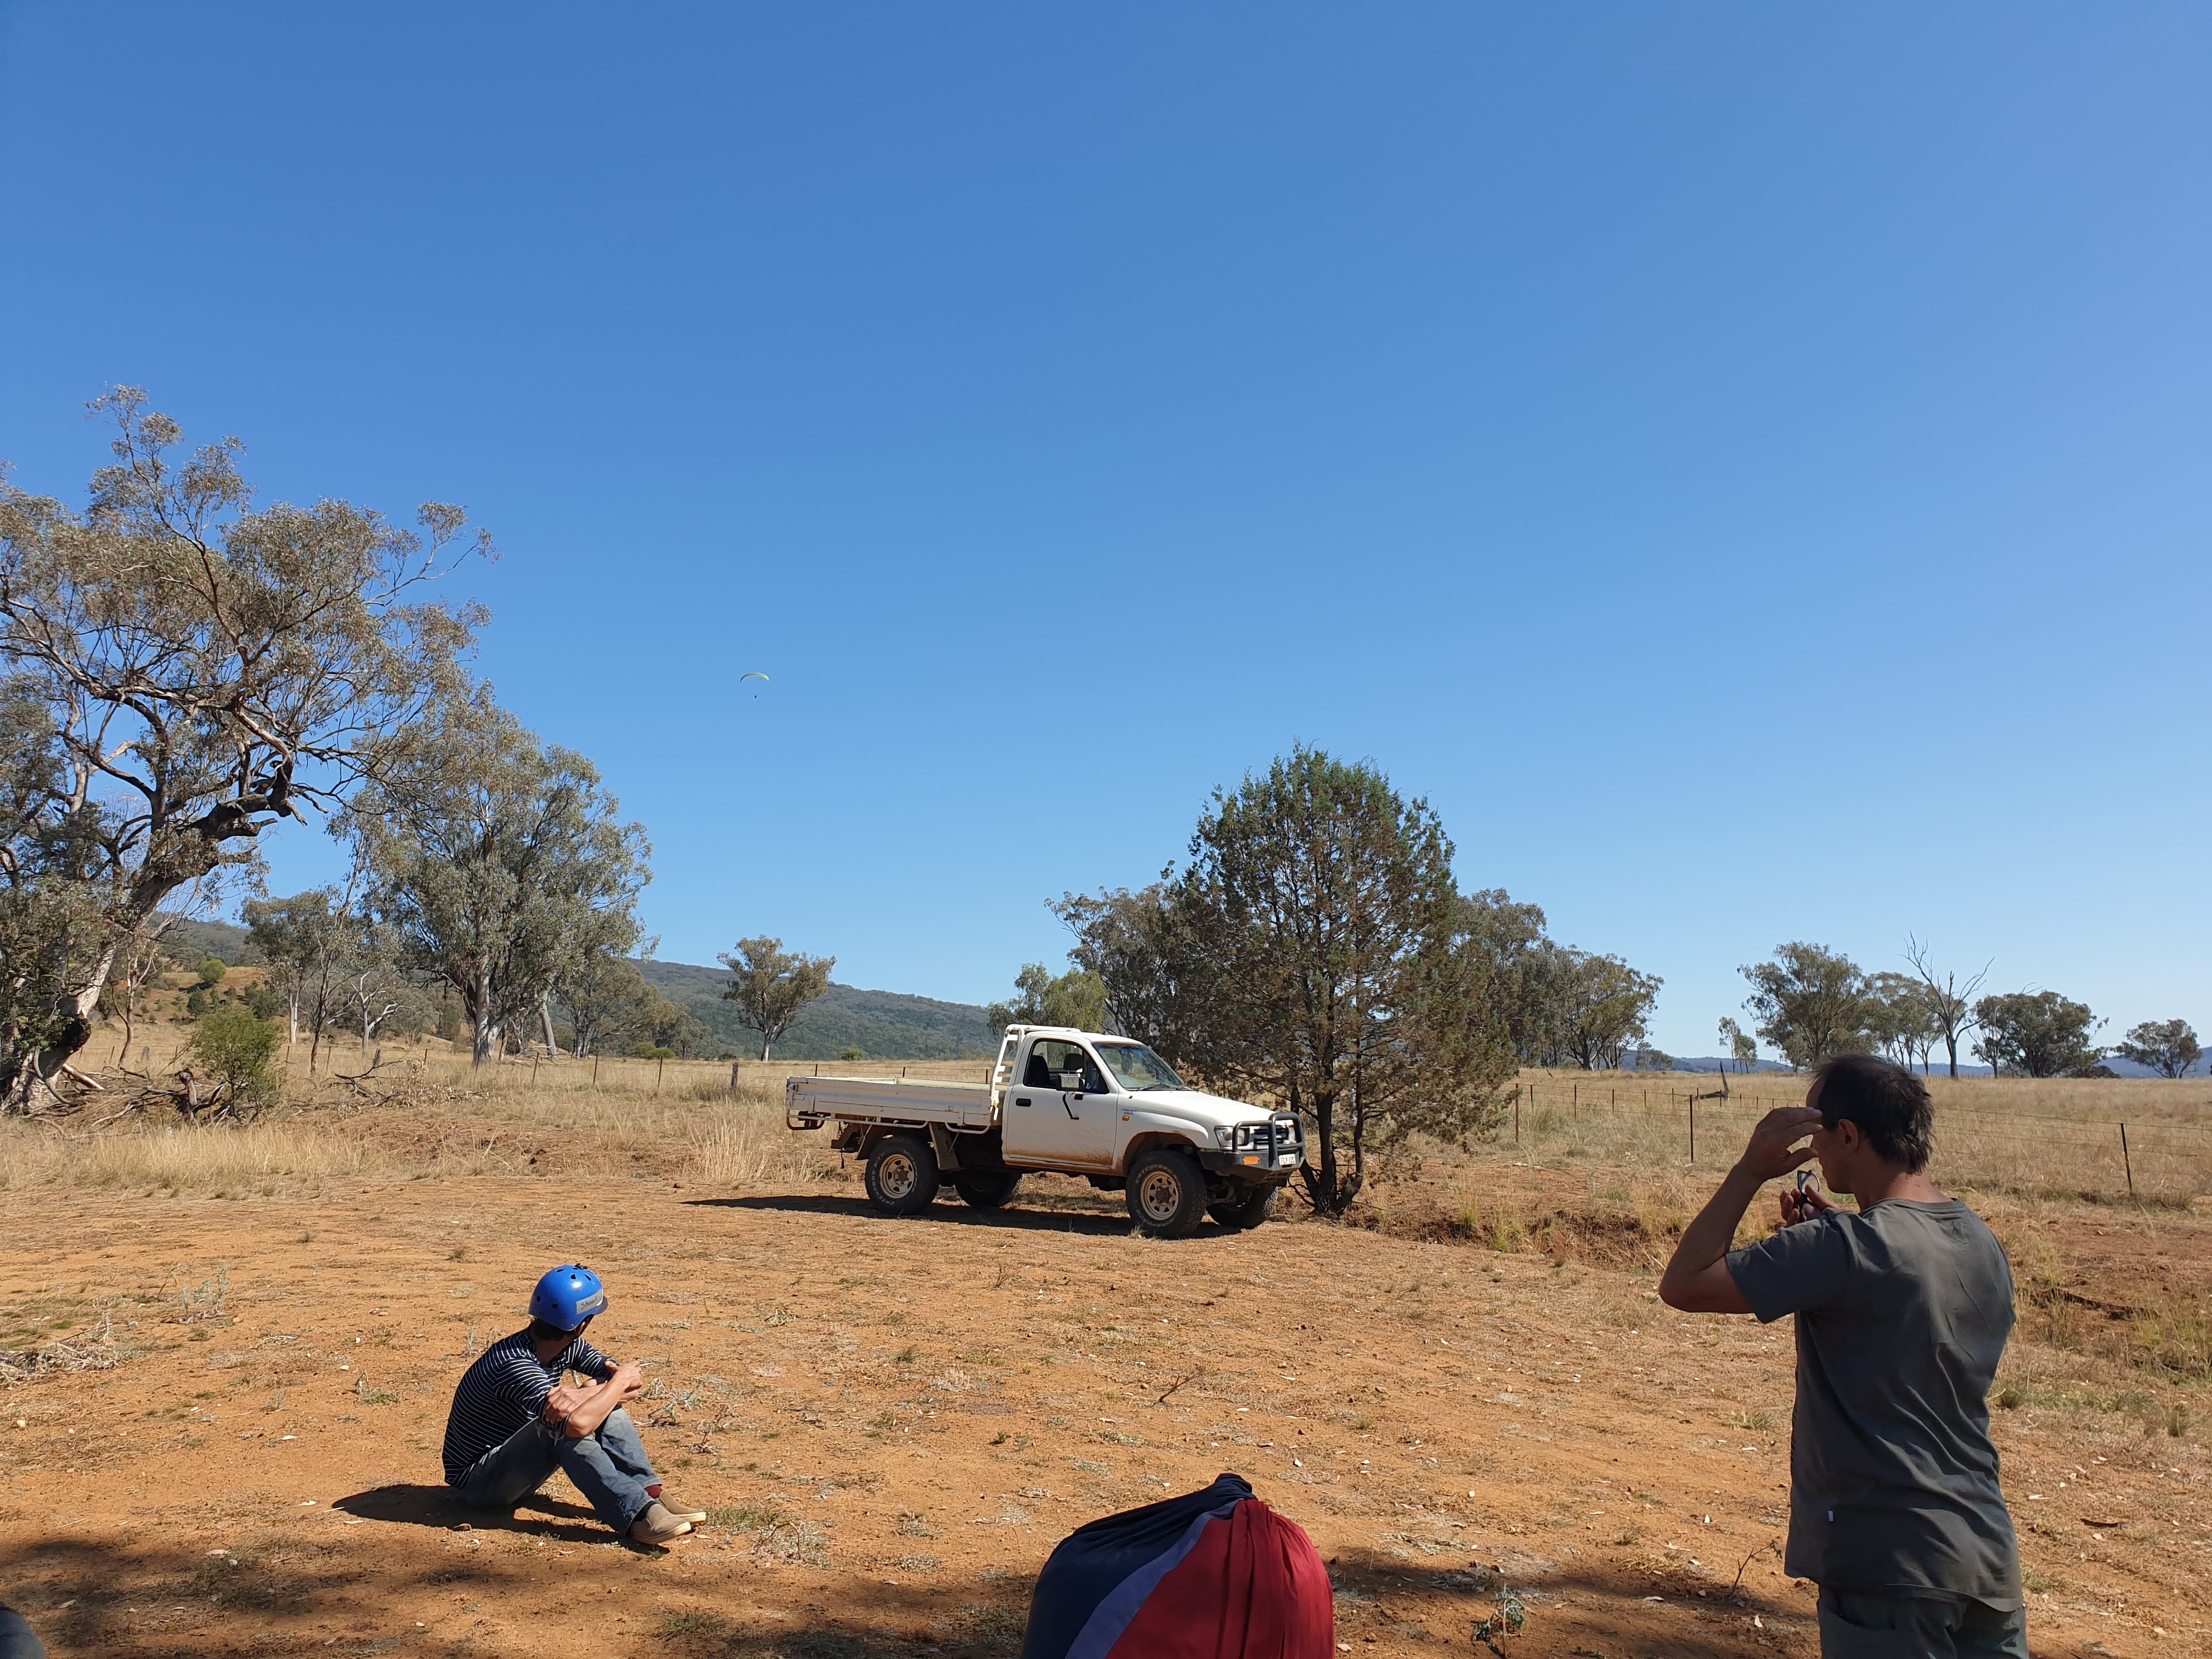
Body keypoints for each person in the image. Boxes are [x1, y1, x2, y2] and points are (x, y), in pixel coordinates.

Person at [1658, 1054, 2025, 1658]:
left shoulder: (1843, 1249)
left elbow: (1685, 1282)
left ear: (1849, 1135)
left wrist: (1749, 1172)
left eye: (1817, 1133)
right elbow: (1903, 1315)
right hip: (1986, 1560)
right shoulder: (1979, 1241)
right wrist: (1841, 1241)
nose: (1814, 1152)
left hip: (1889, 1565)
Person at [441, 1264, 703, 1544]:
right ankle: (637, 1514)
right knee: (559, 1429)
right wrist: (612, 1383)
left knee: (602, 1407)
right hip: (480, 1482)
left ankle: (650, 1493)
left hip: (514, 1470)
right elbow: (580, 1422)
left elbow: (628, 1387)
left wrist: (582, 1394)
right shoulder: (514, 1363)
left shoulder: (567, 1347)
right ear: (582, 1324)